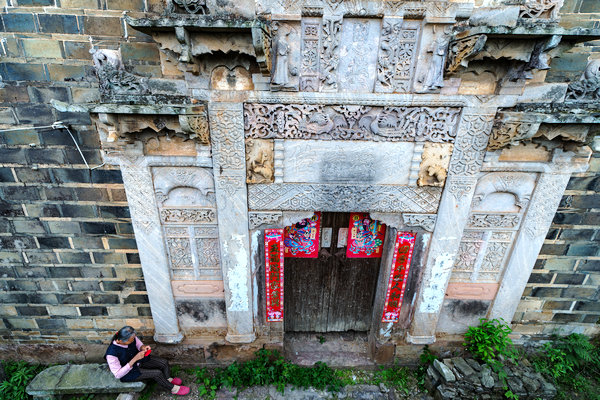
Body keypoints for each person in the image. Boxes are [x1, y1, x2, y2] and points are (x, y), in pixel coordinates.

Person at [105, 326, 190, 395]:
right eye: (130, 341)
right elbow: (118, 374)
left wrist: (143, 347)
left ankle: (168, 380)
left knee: (164, 363)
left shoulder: (131, 337)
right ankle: (174, 389)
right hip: (129, 372)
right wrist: (135, 359)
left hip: (139, 361)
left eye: (133, 338)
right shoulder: (111, 354)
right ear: (121, 341)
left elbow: (138, 344)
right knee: (157, 373)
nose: (133, 341)